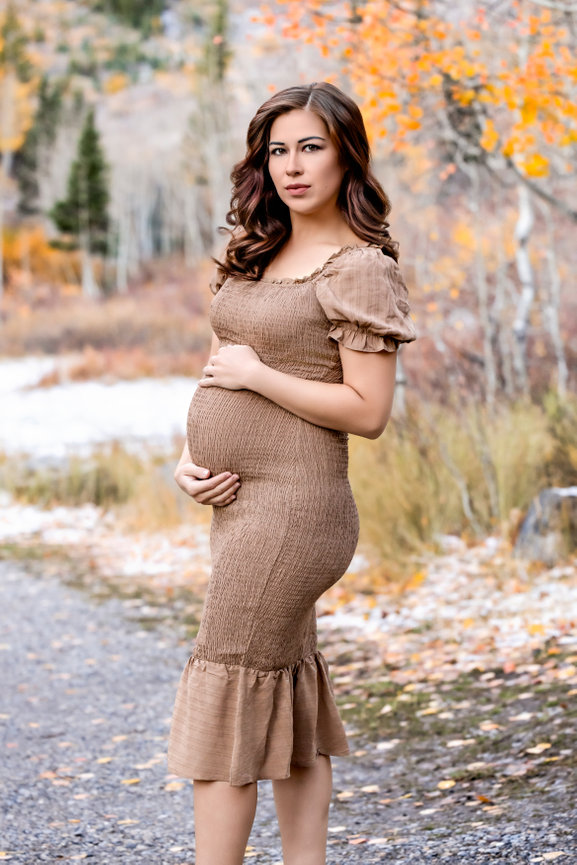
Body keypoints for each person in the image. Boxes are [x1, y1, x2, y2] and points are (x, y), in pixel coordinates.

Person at [167, 81, 417, 865]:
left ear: (346, 152)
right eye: (278, 149)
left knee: (228, 679)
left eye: (310, 146)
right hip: (239, 506)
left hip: (299, 510)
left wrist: (255, 379)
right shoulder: (262, 250)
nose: (291, 165)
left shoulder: (358, 268)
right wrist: (190, 460)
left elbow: (366, 410)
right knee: (285, 686)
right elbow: (222, 369)